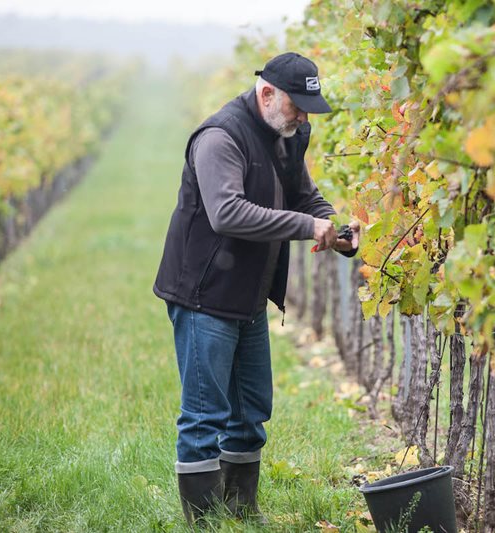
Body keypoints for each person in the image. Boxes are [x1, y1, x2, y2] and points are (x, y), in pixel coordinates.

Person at [152, 52, 359, 526]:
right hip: (205, 294)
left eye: (309, 107)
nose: (304, 116)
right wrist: (307, 227)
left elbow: (305, 194)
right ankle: (204, 522)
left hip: (247, 295)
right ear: (267, 93)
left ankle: (241, 513)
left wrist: (334, 227)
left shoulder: (285, 135)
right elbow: (228, 213)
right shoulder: (220, 137)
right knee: (205, 415)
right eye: (297, 105)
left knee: (250, 412)